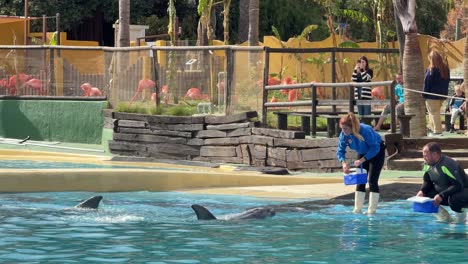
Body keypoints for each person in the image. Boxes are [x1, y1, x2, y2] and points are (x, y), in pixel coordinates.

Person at [336, 113, 386, 214]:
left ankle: (371, 211)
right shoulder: (344, 135)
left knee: (372, 180)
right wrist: (343, 163)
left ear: (352, 127)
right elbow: (340, 150)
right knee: (360, 180)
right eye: (342, 128)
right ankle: (357, 209)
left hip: (377, 151)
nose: (343, 131)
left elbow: (375, 147)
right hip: (363, 152)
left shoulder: (365, 130)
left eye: (345, 128)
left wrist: (362, 160)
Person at [416, 142, 468, 223]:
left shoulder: (448, 164)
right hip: (448, 192)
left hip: (463, 192)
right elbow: (427, 181)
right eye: (423, 156)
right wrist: (422, 191)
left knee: (454, 200)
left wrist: (441, 195)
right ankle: (445, 219)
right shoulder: (427, 164)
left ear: (435, 155)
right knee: (425, 197)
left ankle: (461, 220)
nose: (424, 158)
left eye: (426, 156)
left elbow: (458, 185)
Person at [423, 50, 450, 135]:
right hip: (441, 95)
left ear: (431, 59)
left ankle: (437, 130)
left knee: (434, 113)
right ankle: (433, 128)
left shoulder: (431, 69)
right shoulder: (445, 68)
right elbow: (447, 81)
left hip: (432, 95)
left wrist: (424, 93)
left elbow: (427, 82)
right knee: (434, 112)